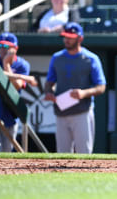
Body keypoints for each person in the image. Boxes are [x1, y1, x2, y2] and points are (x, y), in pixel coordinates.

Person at [43, 22, 106, 154]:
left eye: (70, 37)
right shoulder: (57, 57)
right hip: (61, 111)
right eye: (65, 36)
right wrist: (49, 93)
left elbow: (101, 87)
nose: (67, 40)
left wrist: (83, 93)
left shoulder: (91, 58)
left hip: (82, 111)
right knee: (62, 154)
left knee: (84, 153)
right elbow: (49, 83)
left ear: (80, 38)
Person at [0, 32, 37, 152]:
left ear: (15, 49)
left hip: (10, 113)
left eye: (7, 47)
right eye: (0, 46)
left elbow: (16, 86)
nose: (2, 50)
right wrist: (25, 78)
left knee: (7, 152)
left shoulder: (22, 64)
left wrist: (6, 64)